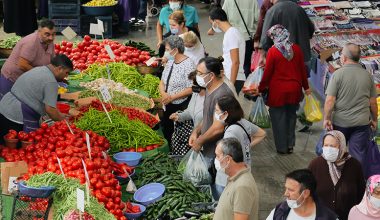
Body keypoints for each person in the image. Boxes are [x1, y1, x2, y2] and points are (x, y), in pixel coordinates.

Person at [250, 25, 311, 154]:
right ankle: (290, 145)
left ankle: (282, 148)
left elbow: (267, 74)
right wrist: (306, 88)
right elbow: (302, 71)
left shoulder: (273, 51)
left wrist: (261, 88)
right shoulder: (297, 49)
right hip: (294, 90)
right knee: (291, 118)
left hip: (278, 91)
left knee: (278, 120)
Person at [324, 43, 378, 170]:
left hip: (340, 123)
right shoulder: (368, 76)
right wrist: (374, 119)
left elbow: (330, 100)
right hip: (361, 124)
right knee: (358, 156)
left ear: (344, 58)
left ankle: (337, 178)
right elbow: (373, 103)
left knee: (336, 153)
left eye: (341, 54)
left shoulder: (338, 74)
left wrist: (327, 118)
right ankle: (357, 182)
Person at [0, 54, 73, 139]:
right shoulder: (51, 82)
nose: (66, 76)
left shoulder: (40, 69)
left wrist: (59, 115)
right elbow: (50, 110)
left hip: (5, 105)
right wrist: (64, 121)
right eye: (66, 72)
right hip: (16, 115)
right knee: (18, 144)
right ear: (59, 68)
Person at [214, 95, 266, 198]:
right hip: (245, 169)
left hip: (227, 178)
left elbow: (226, 157)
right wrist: (246, 146)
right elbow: (262, 133)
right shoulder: (243, 122)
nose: (215, 113)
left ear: (225, 113)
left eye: (217, 111)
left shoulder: (231, 131)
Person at [308, 130, 366, 220]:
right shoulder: (315, 164)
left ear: (342, 146)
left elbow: (361, 192)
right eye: (326, 145)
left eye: (332, 146)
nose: (328, 149)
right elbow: (307, 191)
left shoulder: (354, 165)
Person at [189, 57, 235, 163]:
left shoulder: (222, 95)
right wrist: (196, 131)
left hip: (218, 153)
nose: (197, 76)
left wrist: (200, 141)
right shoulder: (209, 88)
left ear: (211, 75)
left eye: (200, 73)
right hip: (208, 148)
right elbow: (208, 117)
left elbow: (218, 128)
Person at [0, 19, 56, 99]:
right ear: (39, 32)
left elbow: (52, 60)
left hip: (26, 79)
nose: (51, 38)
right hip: (12, 78)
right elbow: (22, 65)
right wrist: (41, 75)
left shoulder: (49, 42)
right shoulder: (31, 42)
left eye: (53, 34)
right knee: (7, 105)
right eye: (47, 34)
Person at [159, 35, 195, 147]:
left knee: (179, 135)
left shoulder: (188, 64)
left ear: (175, 50)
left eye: (167, 50)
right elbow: (162, 82)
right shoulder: (170, 62)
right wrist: (164, 94)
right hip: (167, 104)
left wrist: (172, 97)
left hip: (180, 105)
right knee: (168, 130)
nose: (166, 52)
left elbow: (191, 88)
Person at [213, 138, 259, 220]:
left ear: (227, 159)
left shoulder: (242, 187)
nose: (215, 160)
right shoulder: (234, 178)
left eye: (217, 156)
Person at [259, 0, 315, 66]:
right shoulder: (299, 9)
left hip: (283, 61)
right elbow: (311, 30)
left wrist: (263, 56)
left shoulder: (272, 11)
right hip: (303, 57)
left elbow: (265, 41)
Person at [266, 169, 338, 220]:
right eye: (286, 188)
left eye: (291, 190)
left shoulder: (328, 217)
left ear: (306, 193)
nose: (285, 194)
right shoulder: (280, 210)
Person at [214, 0, 259, 77]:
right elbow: (257, 19)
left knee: (233, 63)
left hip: (232, 36)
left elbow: (222, 17)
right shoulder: (253, 1)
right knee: (246, 64)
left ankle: (234, 81)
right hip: (247, 37)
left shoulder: (229, 1)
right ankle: (245, 84)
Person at [209, 7, 246, 94]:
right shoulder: (231, 32)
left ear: (216, 22)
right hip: (231, 76)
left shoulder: (231, 34)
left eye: (212, 23)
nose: (213, 27)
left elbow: (235, 62)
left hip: (234, 78)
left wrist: (231, 85)